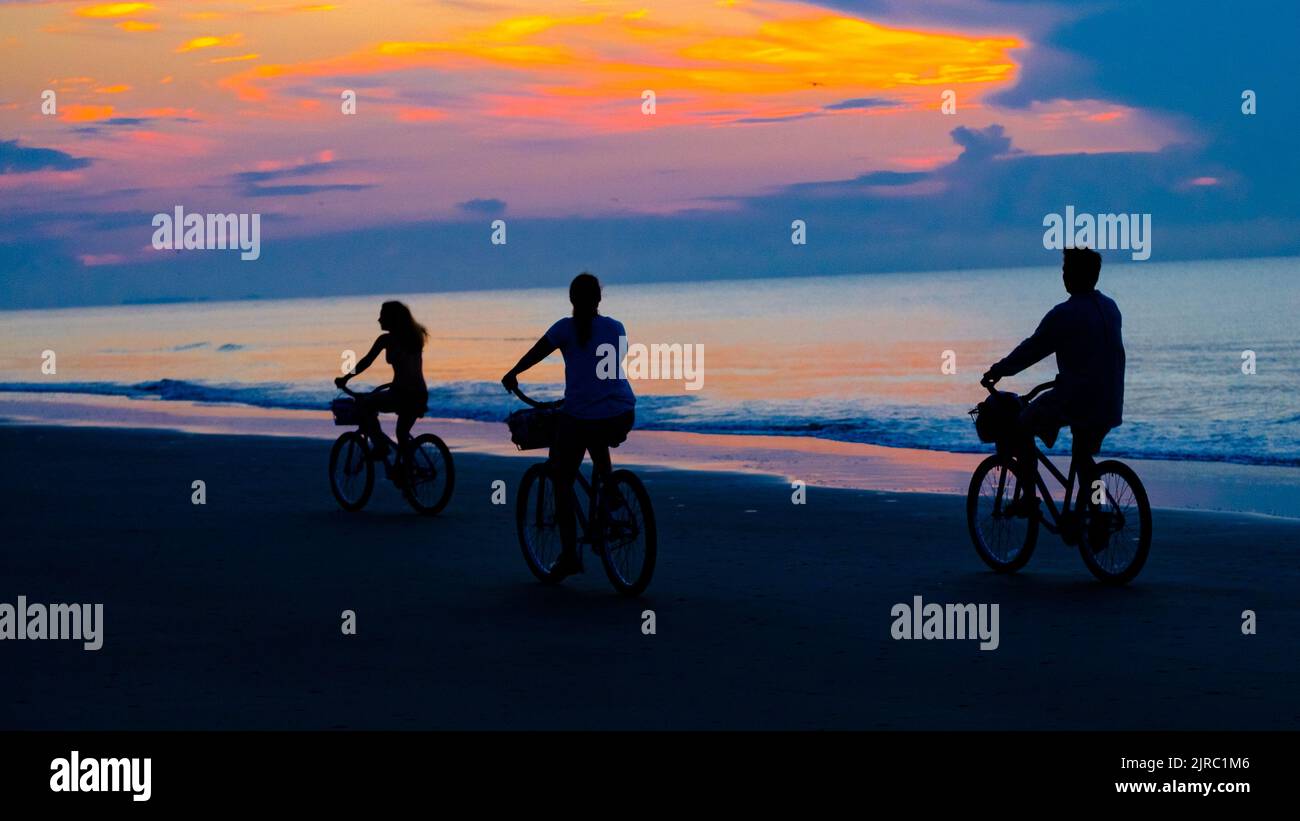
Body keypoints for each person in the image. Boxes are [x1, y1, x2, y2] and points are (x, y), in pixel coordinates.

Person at [502, 272, 636, 578]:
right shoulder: (616, 328)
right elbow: (603, 374)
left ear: (572, 300)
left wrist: (513, 373)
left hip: (585, 416)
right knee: (595, 431)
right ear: (599, 299)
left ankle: (569, 556)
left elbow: (537, 353)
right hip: (622, 412)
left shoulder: (564, 329)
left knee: (561, 478)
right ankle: (611, 497)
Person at [982, 247, 1125, 479]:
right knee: (1082, 455)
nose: (1064, 275)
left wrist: (999, 370)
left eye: (1067, 270)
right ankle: (1095, 513)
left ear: (1074, 275)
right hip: (1111, 402)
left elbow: (1032, 350)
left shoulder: (1065, 314)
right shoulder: (1111, 308)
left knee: (1020, 428)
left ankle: (1029, 500)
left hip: (1077, 400)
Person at [335, 301, 430, 462]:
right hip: (419, 394)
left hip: (401, 394)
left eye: (382, 316)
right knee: (401, 434)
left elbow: (366, 362)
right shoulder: (415, 336)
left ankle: (380, 446)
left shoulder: (387, 339)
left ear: (392, 319)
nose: (379, 319)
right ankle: (409, 472)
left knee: (364, 405)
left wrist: (345, 378)